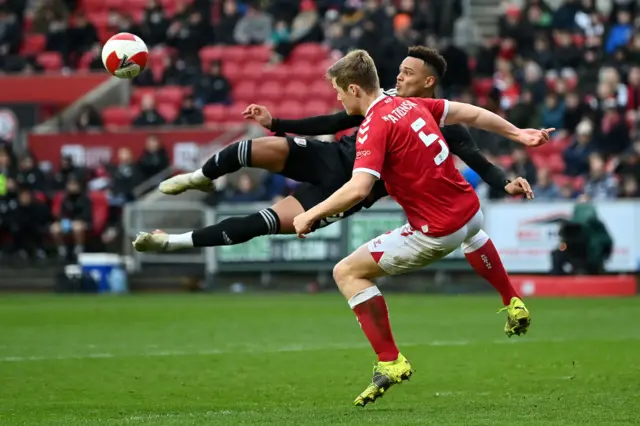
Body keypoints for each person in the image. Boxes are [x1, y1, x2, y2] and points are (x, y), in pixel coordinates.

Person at [134, 46, 535, 318]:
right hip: (336, 157)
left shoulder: (434, 117)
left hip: (345, 190)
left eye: (407, 73)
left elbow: (477, 159)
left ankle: (172, 241)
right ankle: (199, 178)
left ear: (428, 82)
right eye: (398, 70)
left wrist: (504, 183)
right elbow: (336, 121)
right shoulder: (387, 100)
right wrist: (279, 124)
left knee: (262, 223)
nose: (399, 75)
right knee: (250, 149)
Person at [289, 50, 551, 406]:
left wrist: (310, 214)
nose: (337, 98)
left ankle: (390, 361)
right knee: (472, 235)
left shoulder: (375, 124)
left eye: (338, 90)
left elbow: (359, 188)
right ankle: (512, 299)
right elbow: (470, 113)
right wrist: (518, 133)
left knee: (347, 272)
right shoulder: (412, 105)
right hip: (470, 213)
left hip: (436, 231)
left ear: (353, 89)